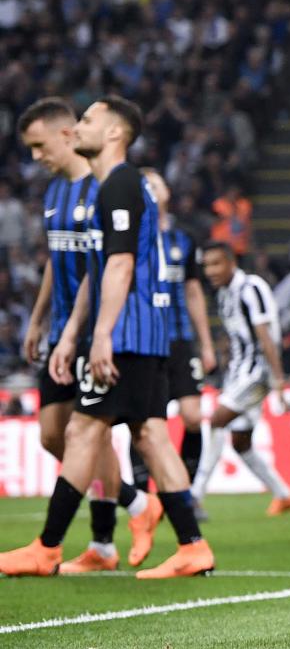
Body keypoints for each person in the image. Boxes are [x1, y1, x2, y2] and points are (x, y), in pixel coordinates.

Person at [1, 96, 213, 578]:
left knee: (84, 431)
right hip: (133, 332)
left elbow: (119, 264)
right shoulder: (108, 186)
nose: (80, 126)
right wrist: (73, 328)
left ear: (115, 132)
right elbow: (96, 271)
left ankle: (49, 546)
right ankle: (189, 543)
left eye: (89, 119)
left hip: (128, 332)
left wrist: (99, 336)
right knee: (149, 435)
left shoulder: (118, 186)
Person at [14, 97, 162, 573]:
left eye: (39, 146)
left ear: (65, 135)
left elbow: (104, 268)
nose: (36, 157)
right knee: (54, 436)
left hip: (95, 329)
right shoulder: (56, 193)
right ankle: (137, 504)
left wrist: (86, 332)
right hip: (62, 329)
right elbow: (59, 266)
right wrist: (39, 321)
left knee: (87, 433)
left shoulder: (102, 187)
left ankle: (100, 544)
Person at [129, 170, 217, 523]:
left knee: (194, 417)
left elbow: (194, 292)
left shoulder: (183, 240)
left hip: (180, 341)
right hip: (146, 340)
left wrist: (206, 343)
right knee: (142, 422)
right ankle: (143, 497)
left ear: (167, 192)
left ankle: (188, 494)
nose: (151, 187)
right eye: (144, 184)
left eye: (156, 182)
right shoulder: (131, 239)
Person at [191, 242, 290, 517]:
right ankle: (283, 495)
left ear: (230, 262)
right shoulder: (225, 294)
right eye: (206, 266)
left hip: (257, 372)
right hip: (238, 373)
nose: (210, 271)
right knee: (241, 441)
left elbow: (265, 334)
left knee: (216, 420)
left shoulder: (251, 287)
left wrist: (277, 380)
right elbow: (236, 336)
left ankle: (194, 496)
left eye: (216, 264)